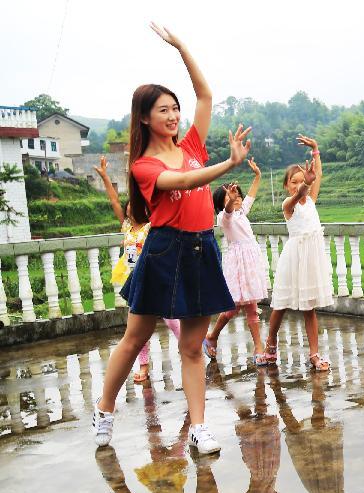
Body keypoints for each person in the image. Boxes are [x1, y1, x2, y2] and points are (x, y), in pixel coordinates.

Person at [92, 23, 251, 454]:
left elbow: (205, 95)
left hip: (201, 247)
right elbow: (181, 180)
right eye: (163, 110)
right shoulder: (144, 165)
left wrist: (181, 47)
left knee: (192, 347)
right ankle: (104, 408)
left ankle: (198, 427)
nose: (173, 115)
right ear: (145, 117)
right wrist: (227, 165)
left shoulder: (192, 145)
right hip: (164, 250)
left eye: (175, 108)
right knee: (135, 337)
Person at [95, 155, 181, 383]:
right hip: (135, 281)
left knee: (171, 318)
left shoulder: (151, 226)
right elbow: (114, 201)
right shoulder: (126, 227)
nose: (131, 207)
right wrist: (105, 177)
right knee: (138, 328)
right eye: (130, 205)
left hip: (154, 276)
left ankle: (192, 349)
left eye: (137, 204)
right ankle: (143, 366)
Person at [264, 137, 334, 371]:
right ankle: (270, 342)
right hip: (294, 258)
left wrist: (316, 150)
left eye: (301, 181)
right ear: (286, 186)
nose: (298, 185)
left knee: (309, 308)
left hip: (310, 259)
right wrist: (306, 184)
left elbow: (317, 175)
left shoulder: (311, 200)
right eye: (293, 182)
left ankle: (314, 354)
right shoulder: (288, 204)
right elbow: (298, 195)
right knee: (280, 305)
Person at [203, 157, 268, 365]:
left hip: (251, 264)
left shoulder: (242, 212)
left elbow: (251, 195)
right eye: (231, 196)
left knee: (250, 307)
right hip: (239, 266)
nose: (237, 198)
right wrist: (230, 201)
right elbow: (229, 212)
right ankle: (213, 336)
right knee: (232, 309)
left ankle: (258, 347)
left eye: (238, 195)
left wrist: (257, 175)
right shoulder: (224, 218)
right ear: (221, 203)